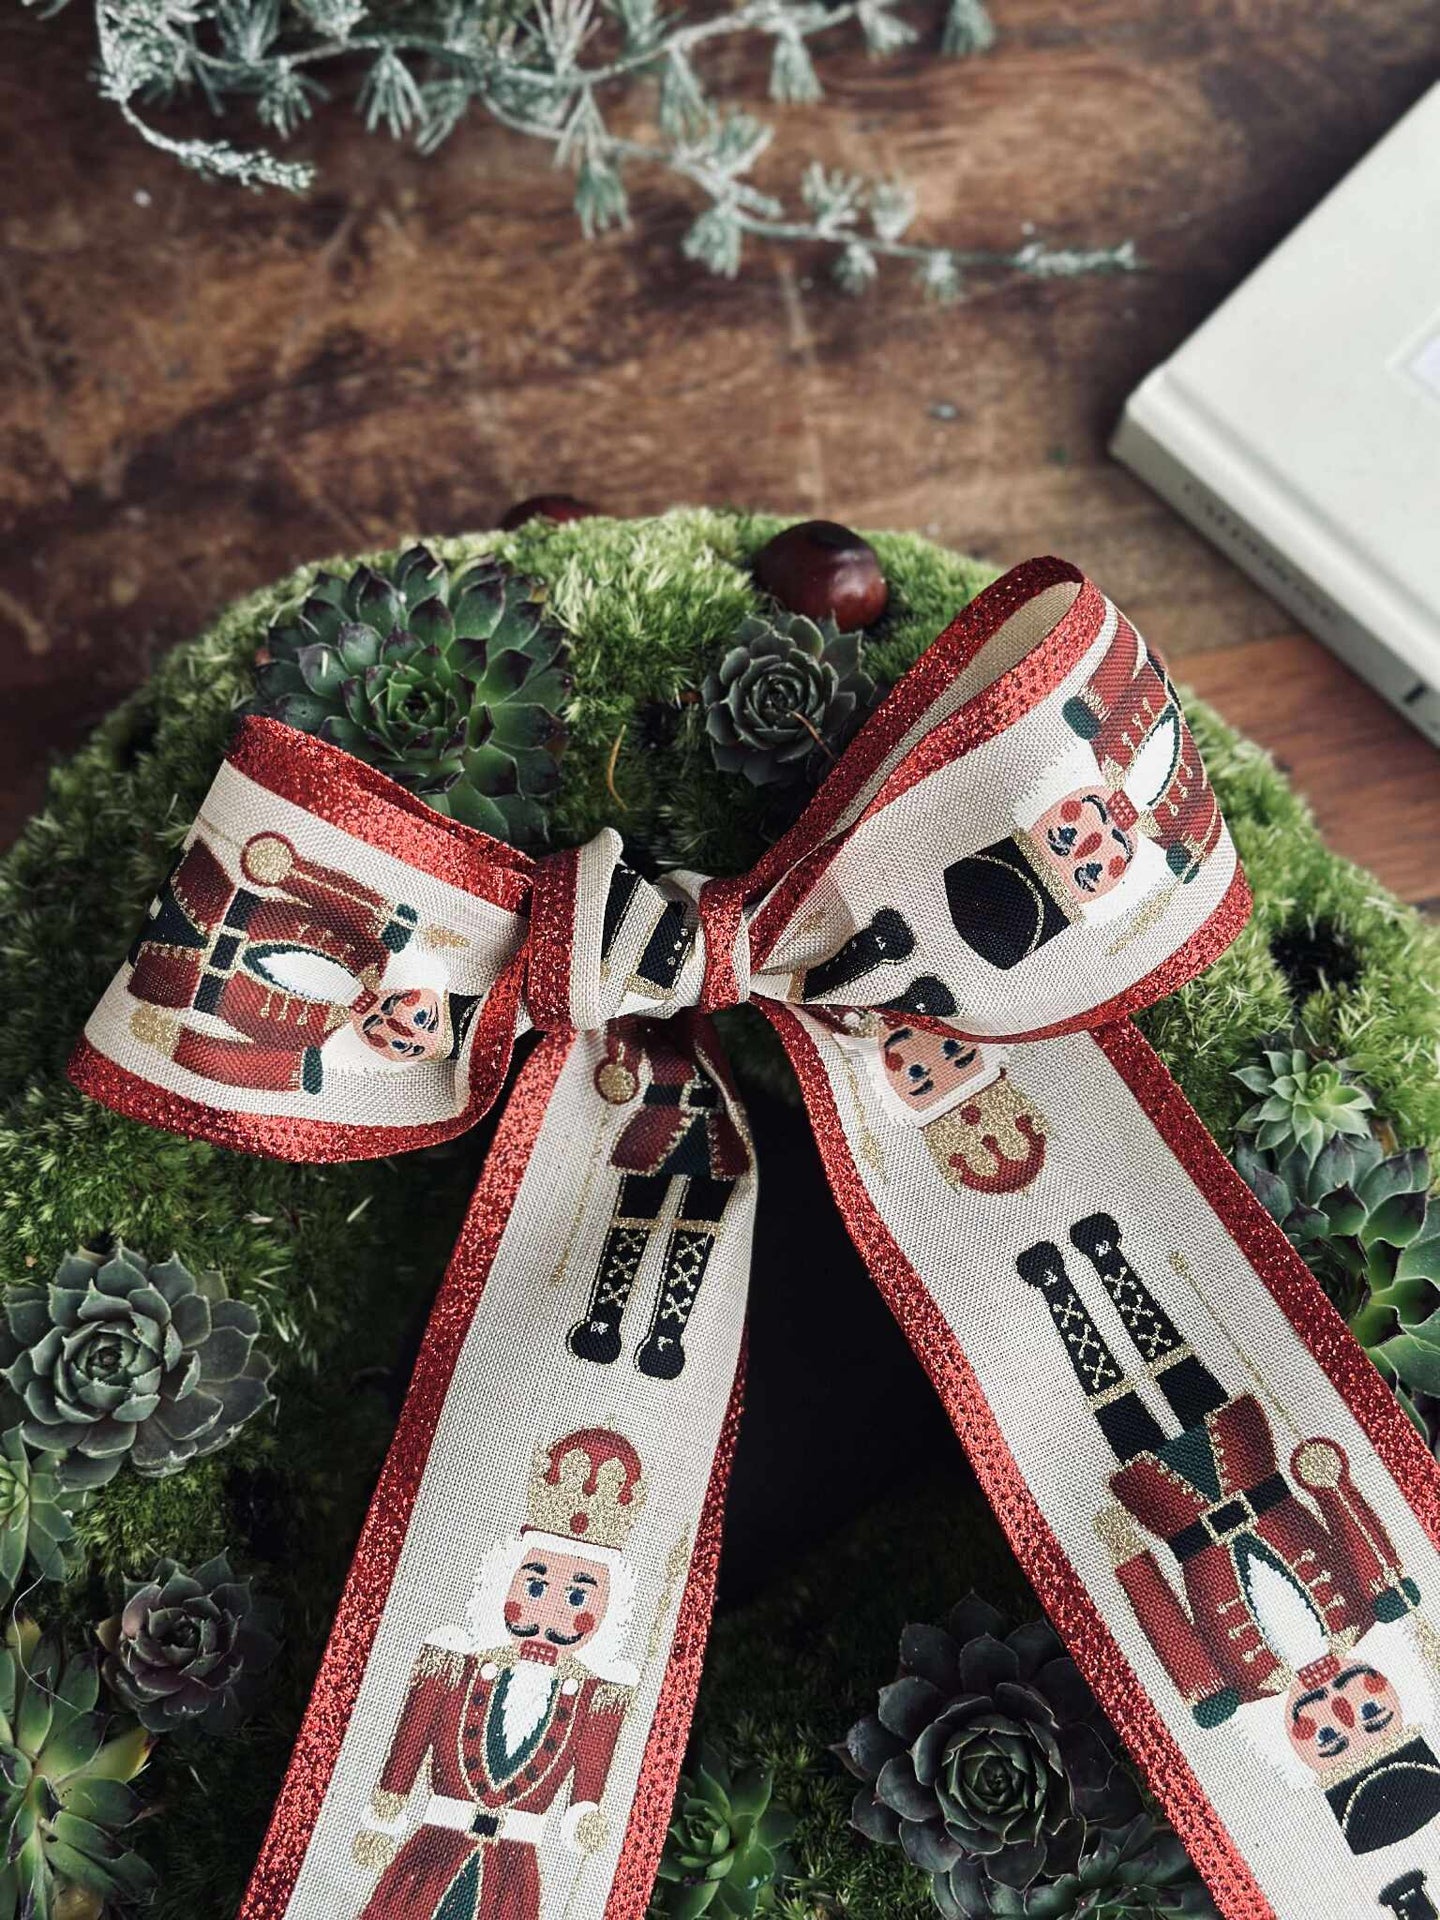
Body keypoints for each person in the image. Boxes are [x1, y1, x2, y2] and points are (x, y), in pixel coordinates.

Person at [352, 1429, 646, 1920]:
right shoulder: (452, 1665)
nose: (551, 1611)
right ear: (504, 1582)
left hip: (513, 1871)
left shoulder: (597, 1698)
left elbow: (590, 1778)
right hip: (431, 1853)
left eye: (578, 1596)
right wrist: (386, 1813)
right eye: (535, 1586)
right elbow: (411, 1738)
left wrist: (586, 1817)